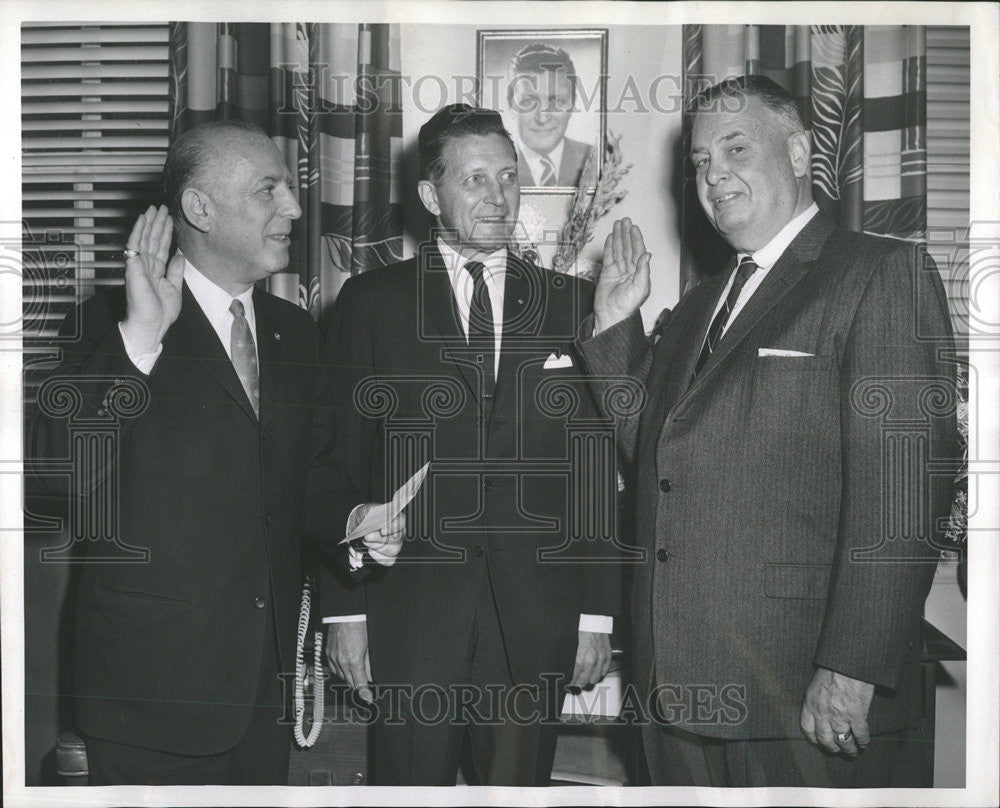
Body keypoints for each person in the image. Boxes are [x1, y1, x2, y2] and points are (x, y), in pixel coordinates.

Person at [577, 76, 958, 787]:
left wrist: (851, 667)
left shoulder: (880, 274)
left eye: (735, 147)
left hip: (802, 694)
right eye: (698, 161)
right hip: (678, 690)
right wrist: (615, 326)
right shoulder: (698, 303)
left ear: (800, 149)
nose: (712, 172)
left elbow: (904, 492)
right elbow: (665, 454)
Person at [27, 120, 401, 785]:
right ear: (200, 208)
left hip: (263, 687)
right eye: (269, 190)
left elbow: (306, 471)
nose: (292, 207)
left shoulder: (293, 331)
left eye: (288, 187)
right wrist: (141, 338)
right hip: (152, 695)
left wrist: (356, 520)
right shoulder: (105, 322)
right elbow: (59, 475)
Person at [321, 103, 621, 786]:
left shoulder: (574, 306)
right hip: (410, 618)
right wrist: (344, 610)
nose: (498, 196)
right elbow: (336, 464)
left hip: (535, 620)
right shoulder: (371, 304)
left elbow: (595, 470)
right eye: (475, 179)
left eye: (508, 177)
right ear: (431, 195)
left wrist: (596, 614)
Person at [506, 43, 595, 188]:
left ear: (572, 105)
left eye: (557, 101)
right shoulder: (492, 162)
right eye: (528, 101)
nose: (542, 118)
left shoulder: (597, 160)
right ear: (511, 105)